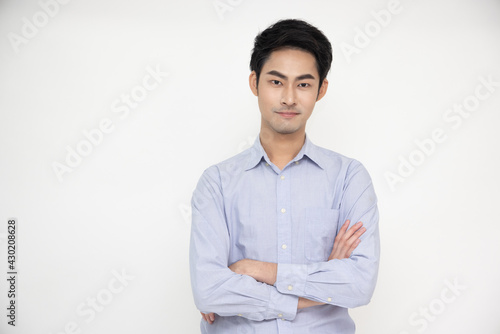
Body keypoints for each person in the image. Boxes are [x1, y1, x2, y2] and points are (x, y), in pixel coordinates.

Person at [189, 18, 380, 333]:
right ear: (255, 83)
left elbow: (359, 284)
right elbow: (209, 289)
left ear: (321, 89)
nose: (289, 97)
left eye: (303, 84)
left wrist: (253, 270)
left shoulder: (349, 178)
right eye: (276, 82)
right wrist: (322, 282)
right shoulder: (217, 183)